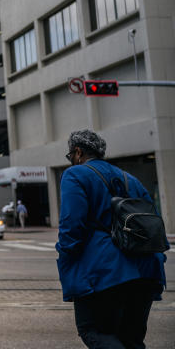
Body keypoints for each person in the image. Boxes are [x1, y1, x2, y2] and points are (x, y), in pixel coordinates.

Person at [57, 129, 167, 348]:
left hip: (104, 272)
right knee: (132, 339)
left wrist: (66, 258)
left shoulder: (76, 175)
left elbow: (71, 227)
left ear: (78, 153)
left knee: (94, 331)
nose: (71, 161)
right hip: (146, 270)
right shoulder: (131, 179)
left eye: (70, 157)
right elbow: (152, 222)